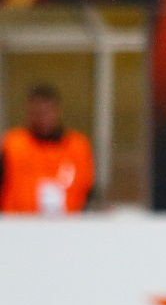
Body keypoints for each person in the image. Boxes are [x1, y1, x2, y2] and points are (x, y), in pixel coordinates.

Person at [0, 85, 95, 215]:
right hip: (18, 226)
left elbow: (89, 190)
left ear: (57, 111)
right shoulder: (12, 144)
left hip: (68, 227)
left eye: (46, 112)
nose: (42, 118)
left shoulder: (78, 147)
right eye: (36, 113)